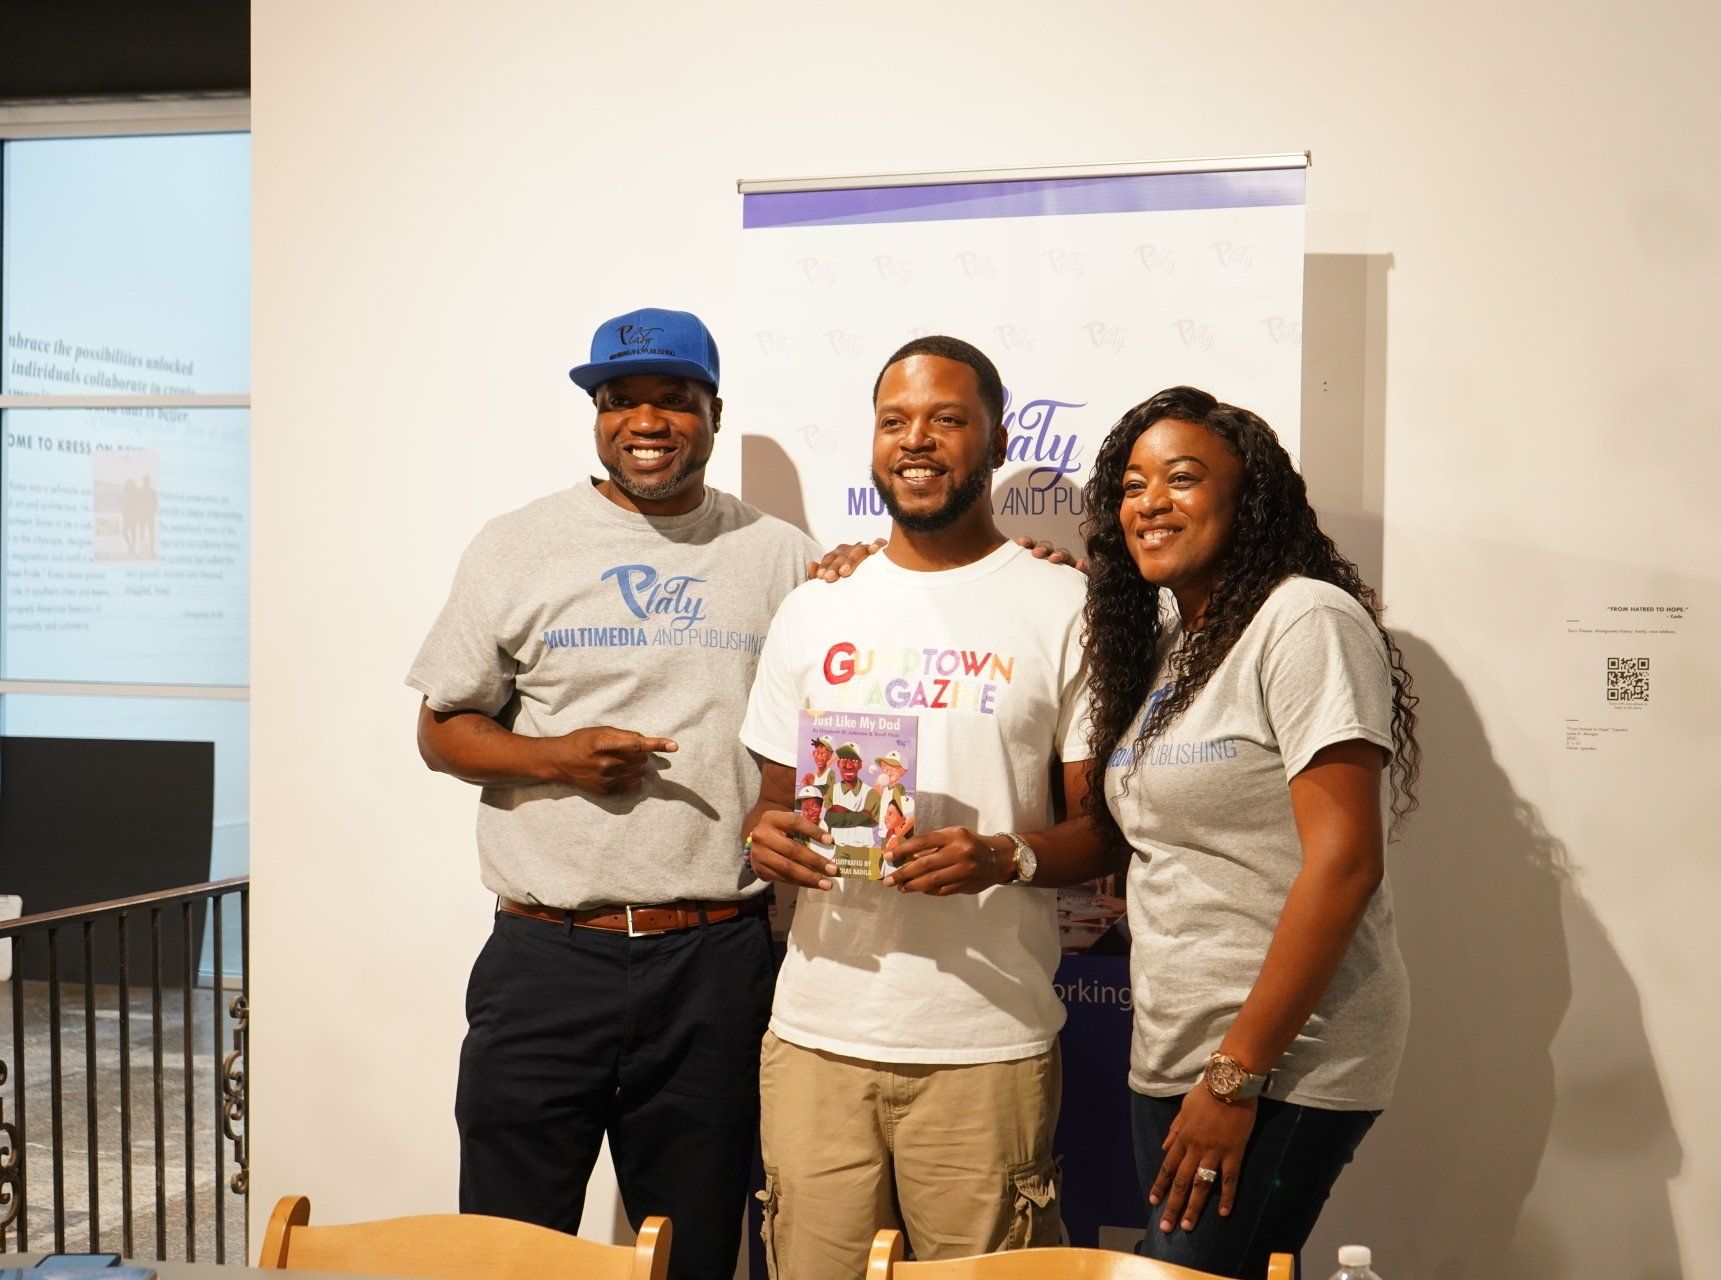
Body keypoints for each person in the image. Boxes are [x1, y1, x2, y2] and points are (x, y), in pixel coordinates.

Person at [405, 306, 818, 1280]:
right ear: (596, 413)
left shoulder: (783, 556)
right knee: (514, 1250)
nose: (647, 418)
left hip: (717, 960)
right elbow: (440, 727)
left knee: (698, 1244)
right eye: (621, 398)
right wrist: (555, 757)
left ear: (714, 411)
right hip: (547, 957)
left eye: (675, 399)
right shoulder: (517, 544)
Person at [738, 335, 1116, 1280]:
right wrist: (766, 838)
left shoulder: (1060, 602)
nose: (919, 441)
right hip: (817, 1037)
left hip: (987, 1040)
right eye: (896, 420)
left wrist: (1006, 858)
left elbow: (1103, 834)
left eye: (948, 419)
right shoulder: (817, 606)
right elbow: (772, 806)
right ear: (872, 442)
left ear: (992, 439)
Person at [1078, 386, 1420, 1280]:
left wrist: (1236, 1076)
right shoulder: (1175, 645)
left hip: (1279, 1062)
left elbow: (1345, 864)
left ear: (1249, 496)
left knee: (1186, 1275)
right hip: (1176, 1048)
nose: (1150, 500)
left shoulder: (1304, 620)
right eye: (1132, 483)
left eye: (1182, 478)